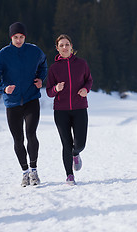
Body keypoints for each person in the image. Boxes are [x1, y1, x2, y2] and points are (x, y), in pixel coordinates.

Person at [0, 22, 47, 187]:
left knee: (31, 134)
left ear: (25, 37)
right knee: (18, 139)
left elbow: (44, 64)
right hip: (12, 103)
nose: (19, 40)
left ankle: (34, 170)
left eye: (21, 37)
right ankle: (25, 172)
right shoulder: (2, 55)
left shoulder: (34, 51)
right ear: (11, 37)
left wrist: (40, 78)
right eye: (16, 37)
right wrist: (4, 88)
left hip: (31, 99)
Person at [46, 34, 93, 185]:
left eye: (67, 44)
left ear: (71, 46)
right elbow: (48, 92)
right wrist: (56, 88)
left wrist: (86, 89)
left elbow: (89, 80)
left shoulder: (81, 63)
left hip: (80, 108)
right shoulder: (54, 68)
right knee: (66, 143)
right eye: (61, 45)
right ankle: (69, 175)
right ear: (57, 49)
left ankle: (76, 153)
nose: (64, 48)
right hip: (61, 111)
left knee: (80, 144)